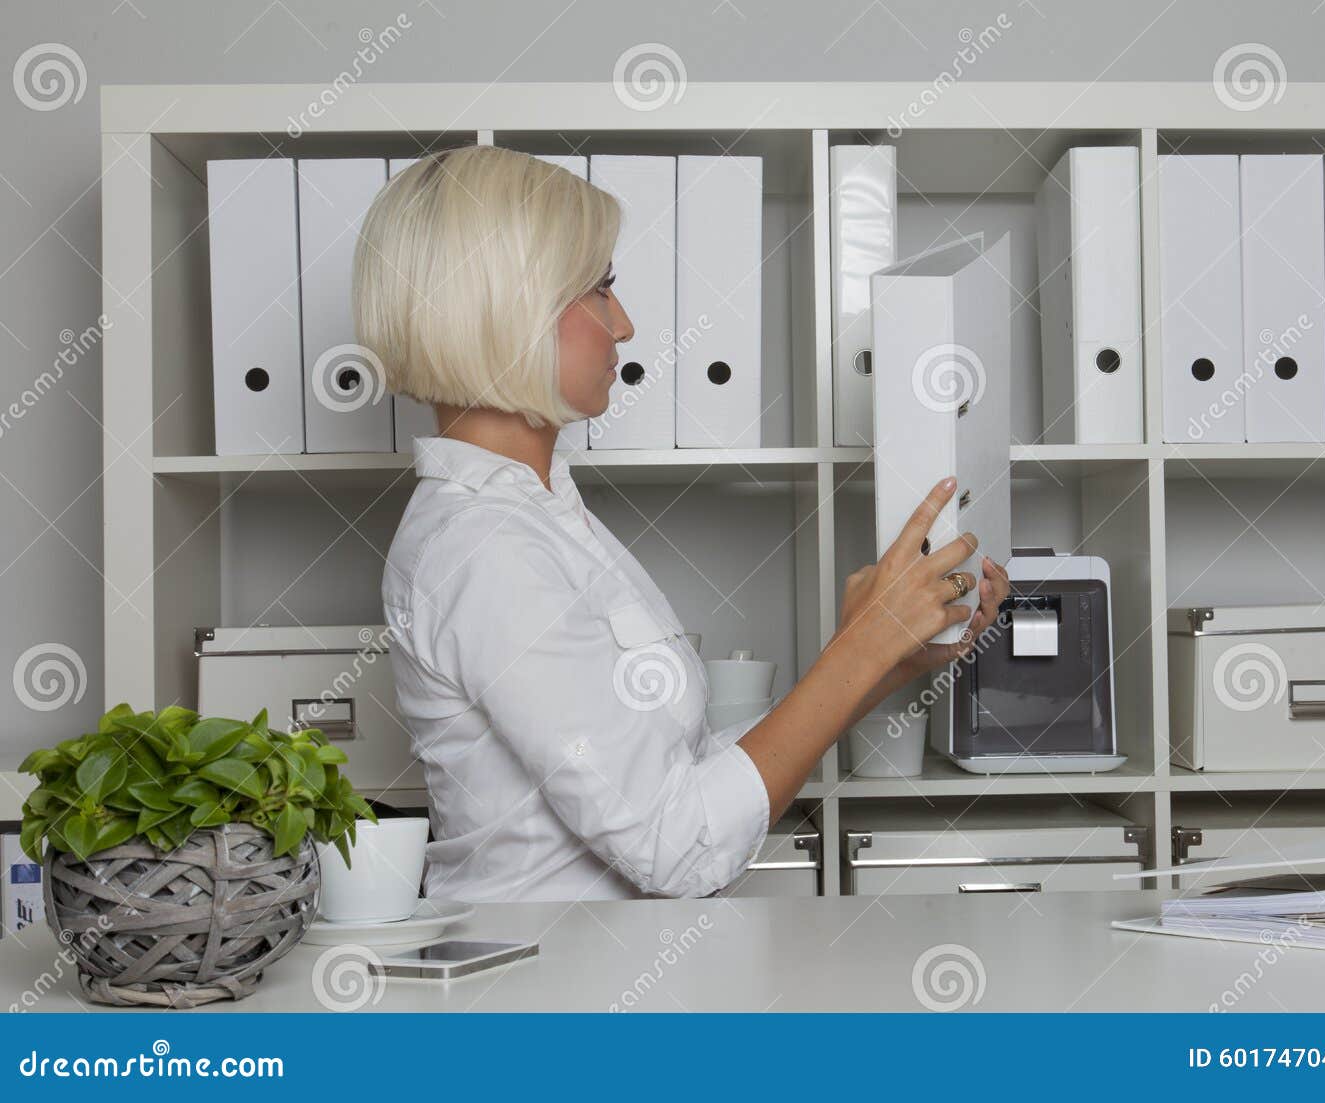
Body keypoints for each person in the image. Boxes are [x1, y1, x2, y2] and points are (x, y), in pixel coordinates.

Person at [354, 144, 1010, 902]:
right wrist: (859, 651)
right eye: (601, 290)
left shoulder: (538, 515)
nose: (625, 325)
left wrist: (882, 652)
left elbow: (685, 782)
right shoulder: (483, 549)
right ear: (511, 307)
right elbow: (675, 848)